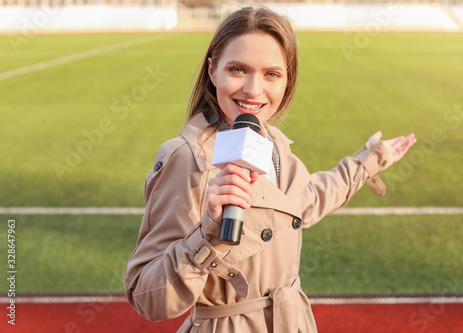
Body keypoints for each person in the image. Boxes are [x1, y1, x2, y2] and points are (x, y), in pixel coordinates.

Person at [124, 6, 416, 332]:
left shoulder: (273, 141)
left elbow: (305, 201)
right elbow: (146, 296)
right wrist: (207, 234)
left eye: (272, 74)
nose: (252, 89)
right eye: (237, 69)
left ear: (288, 79)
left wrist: (367, 162)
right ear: (212, 71)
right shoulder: (187, 158)